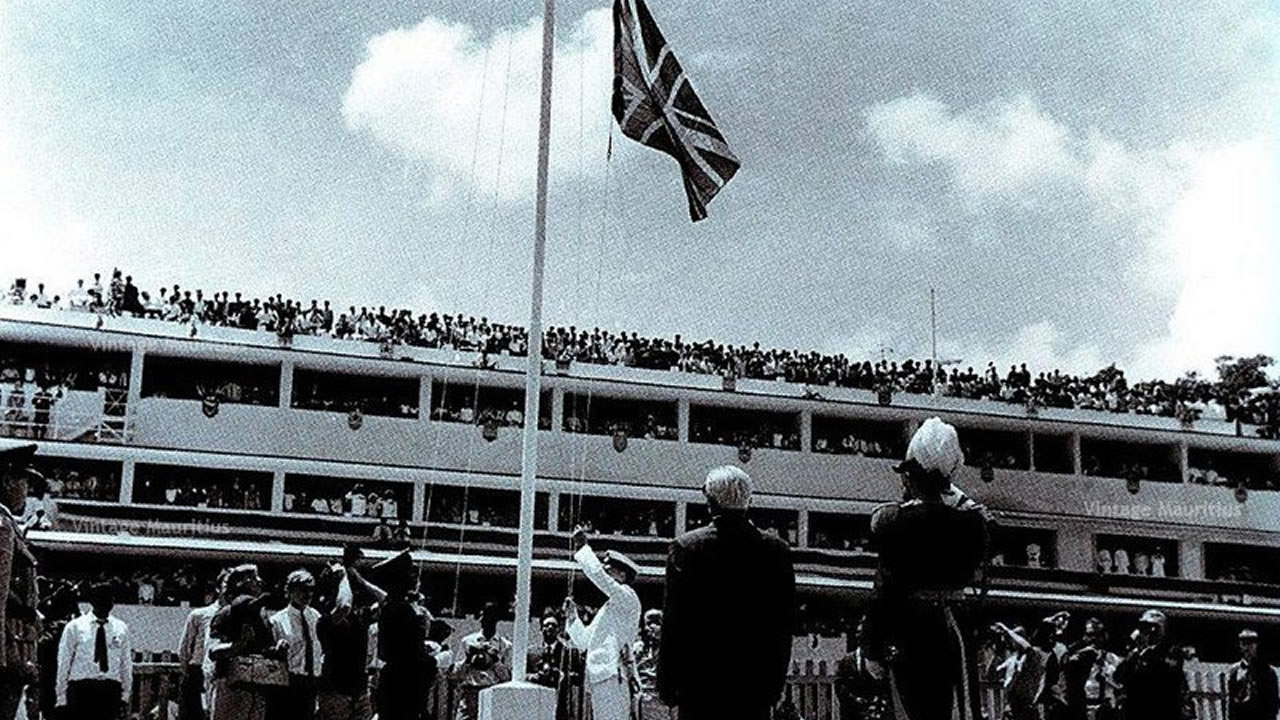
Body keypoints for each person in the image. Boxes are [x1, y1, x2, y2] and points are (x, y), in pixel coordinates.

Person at [859, 418, 988, 720]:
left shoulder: (890, 520)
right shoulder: (974, 523)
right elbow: (972, 514)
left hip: (910, 630)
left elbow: (883, 589)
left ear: (911, 477)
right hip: (955, 628)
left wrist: (871, 647)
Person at [658, 466, 795, 720]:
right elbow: (782, 626)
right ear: (749, 501)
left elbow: (674, 623)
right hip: (754, 687)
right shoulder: (777, 552)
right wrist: (774, 688)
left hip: (699, 686)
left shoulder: (686, 548)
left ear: (709, 502)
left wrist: (667, 687)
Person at [315, 547, 384, 720]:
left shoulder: (360, 616)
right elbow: (344, 606)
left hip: (359, 690)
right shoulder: (324, 620)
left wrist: (358, 578)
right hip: (335, 691)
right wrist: (343, 577)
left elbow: (387, 601)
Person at [207, 564, 283, 720]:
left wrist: (276, 649)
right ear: (242, 582)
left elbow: (265, 648)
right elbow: (212, 651)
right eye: (255, 578)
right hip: (231, 685)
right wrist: (238, 645)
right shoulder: (225, 614)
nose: (260, 581)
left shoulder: (262, 617)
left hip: (257, 687)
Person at [0, 441, 43, 720]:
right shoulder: (2, 526)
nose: (27, 491)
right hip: (7, 648)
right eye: (24, 482)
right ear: (6, 481)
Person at [53, 581, 132, 720]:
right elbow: (64, 661)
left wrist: (125, 694)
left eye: (109, 598)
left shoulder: (121, 628)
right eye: (101, 598)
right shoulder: (75, 627)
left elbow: (125, 663)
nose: (106, 602)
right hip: (81, 689)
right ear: (92, 601)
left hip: (109, 689)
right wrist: (61, 696)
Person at [371, 550, 434, 720]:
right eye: (410, 573)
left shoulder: (401, 607)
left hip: (404, 680)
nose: (415, 578)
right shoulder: (397, 609)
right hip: (402, 682)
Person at [1113, 610, 1189, 720]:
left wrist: (1145, 653)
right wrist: (1135, 652)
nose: (1146, 632)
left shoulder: (1171, 651)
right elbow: (1119, 676)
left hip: (1161, 708)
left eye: (1150, 627)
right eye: (1143, 627)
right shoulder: (1135, 654)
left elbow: (1165, 671)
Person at [269, 570, 323, 720]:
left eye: (311, 590)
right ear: (290, 591)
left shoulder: (316, 617)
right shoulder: (277, 621)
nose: (308, 594)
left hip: (312, 681)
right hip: (288, 682)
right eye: (303, 589)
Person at [177, 568, 230, 720]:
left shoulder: (238, 615)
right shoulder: (200, 615)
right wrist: (191, 674)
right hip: (198, 671)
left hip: (224, 673)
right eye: (226, 584)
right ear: (218, 587)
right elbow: (184, 648)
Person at [453, 602, 512, 720]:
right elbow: (456, 674)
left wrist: (495, 659)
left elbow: (507, 678)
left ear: (496, 619)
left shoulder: (505, 645)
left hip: (492, 692)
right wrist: (469, 658)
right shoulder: (468, 641)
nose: (485, 620)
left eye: (489, 616)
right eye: (483, 616)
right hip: (470, 693)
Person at [527, 612, 581, 720]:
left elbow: (579, 678)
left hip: (561, 705)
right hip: (537, 702)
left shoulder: (568, 653)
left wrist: (562, 676)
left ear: (559, 630)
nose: (550, 628)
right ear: (541, 629)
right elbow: (521, 674)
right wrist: (532, 677)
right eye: (546, 625)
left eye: (554, 625)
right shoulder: (531, 653)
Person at [1227, 629, 1279, 720]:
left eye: (1250, 644)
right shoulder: (1234, 671)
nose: (1247, 648)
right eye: (1244, 644)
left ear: (1256, 645)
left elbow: (1273, 703)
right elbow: (1232, 701)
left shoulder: (1268, 672)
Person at [631, 610, 673, 720]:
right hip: (640, 702)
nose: (651, 627)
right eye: (648, 624)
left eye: (657, 623)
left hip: (662, 704)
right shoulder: (637, 649)